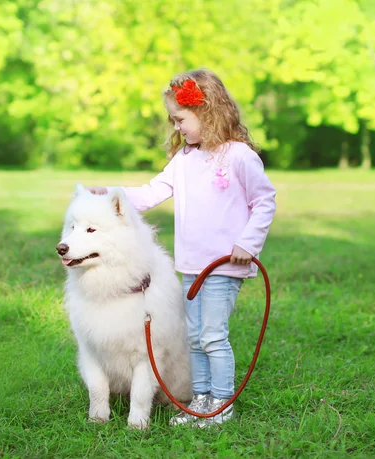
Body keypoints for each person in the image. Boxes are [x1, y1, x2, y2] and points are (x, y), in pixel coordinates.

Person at [89, 69, 276, 427]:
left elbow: (265, 201)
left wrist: (247, 244)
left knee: (212, 335)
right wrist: (113, 194)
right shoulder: (185, 161)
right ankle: (201, 398)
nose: (176, 127)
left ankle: (221, 403)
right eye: (173, 120)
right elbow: (150, 193)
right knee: (194, 336)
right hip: (191, 266)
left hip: (223, 265)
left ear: (207, 113)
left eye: (180, 119)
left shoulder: (239, 157)